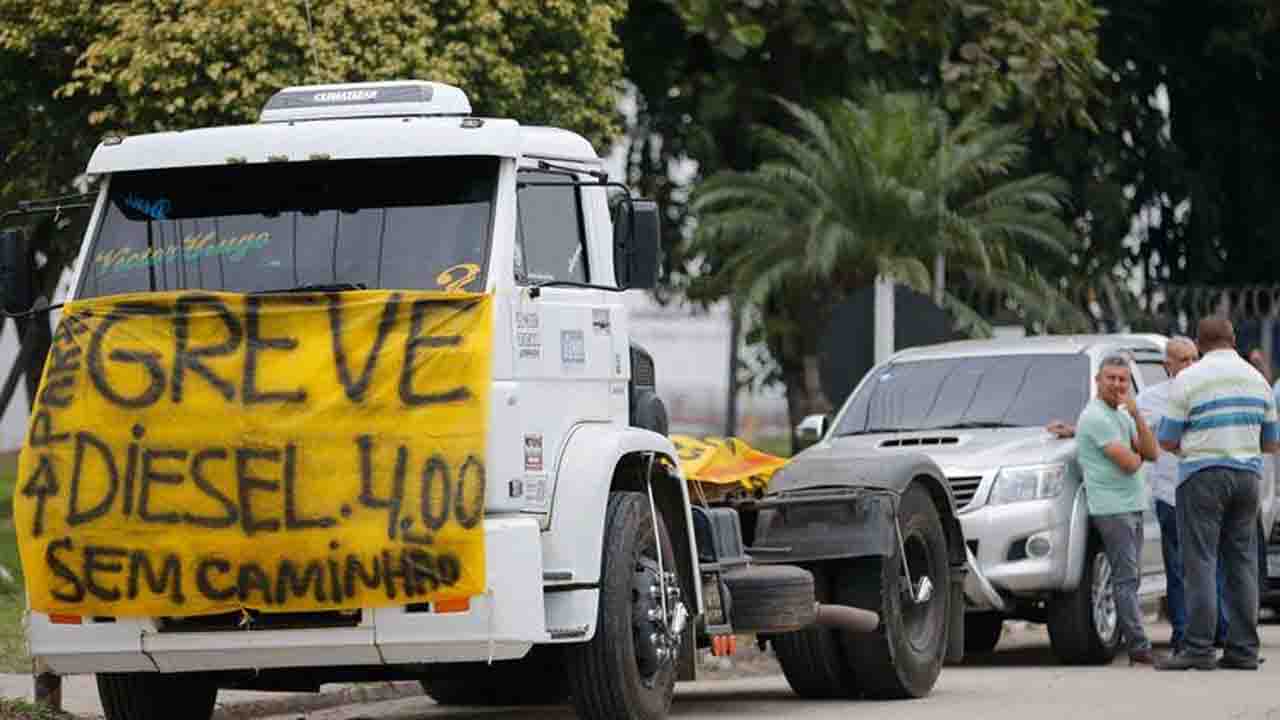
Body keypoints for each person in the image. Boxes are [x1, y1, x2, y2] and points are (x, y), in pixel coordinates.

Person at [1155, 318, 1280, 671]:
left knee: (1200, 561)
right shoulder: (1258, 381)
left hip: (1201, 476)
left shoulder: (1188, 379)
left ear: (1200, 343)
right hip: (1246, 478)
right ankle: (1242, 649)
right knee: (1242, 563)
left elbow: (1165, 439)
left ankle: (1198, 647)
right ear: (1233, 339)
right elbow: (1271, 443)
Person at [1135, 337, 1231, 653]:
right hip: (1171, 494)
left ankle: (1218, 629)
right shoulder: (1150, 399)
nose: (1189, 365)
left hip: (1207, 492)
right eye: (1182, 360)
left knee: (1213, 563)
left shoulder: (1213, 394)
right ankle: (1183, 632)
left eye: (1194, 359)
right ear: (1168, 365)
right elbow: (1125, 428)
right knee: (1177, 568)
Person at [1074, 353, 1160, 664]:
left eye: (1122, 379)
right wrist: (1137, 456)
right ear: (1097, 381)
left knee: (1128, 578)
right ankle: (1139, 647)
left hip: (1131, 505)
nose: (1117, 384)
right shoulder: (1095, 416)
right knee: (1125, 580)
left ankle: (1135, 641)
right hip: (1112, 508)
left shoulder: (1122, 415)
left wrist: (1136, 416)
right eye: (1110, 378)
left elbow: (1152, 452)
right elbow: (1129, 463)